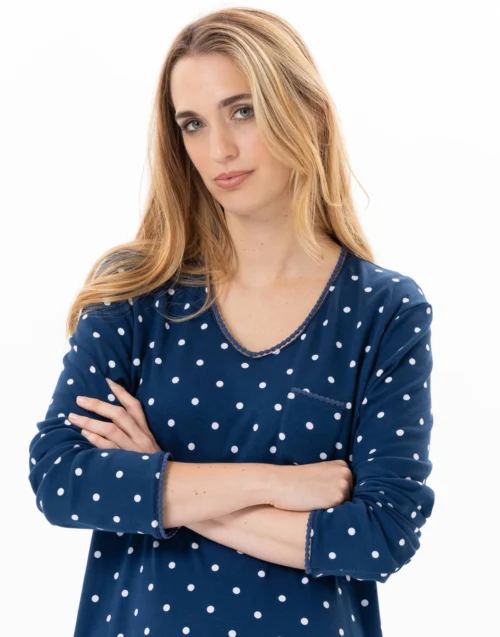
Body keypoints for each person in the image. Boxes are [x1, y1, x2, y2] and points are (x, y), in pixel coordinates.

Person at [27, 7, 435, 637]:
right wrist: (277, 485)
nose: (219, 150)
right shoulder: (137, 290)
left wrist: (156, 476)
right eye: (193, 124)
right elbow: (62, 478)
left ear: (304, 110)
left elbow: (381, 536)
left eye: (243, 111)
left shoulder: (382, 310)